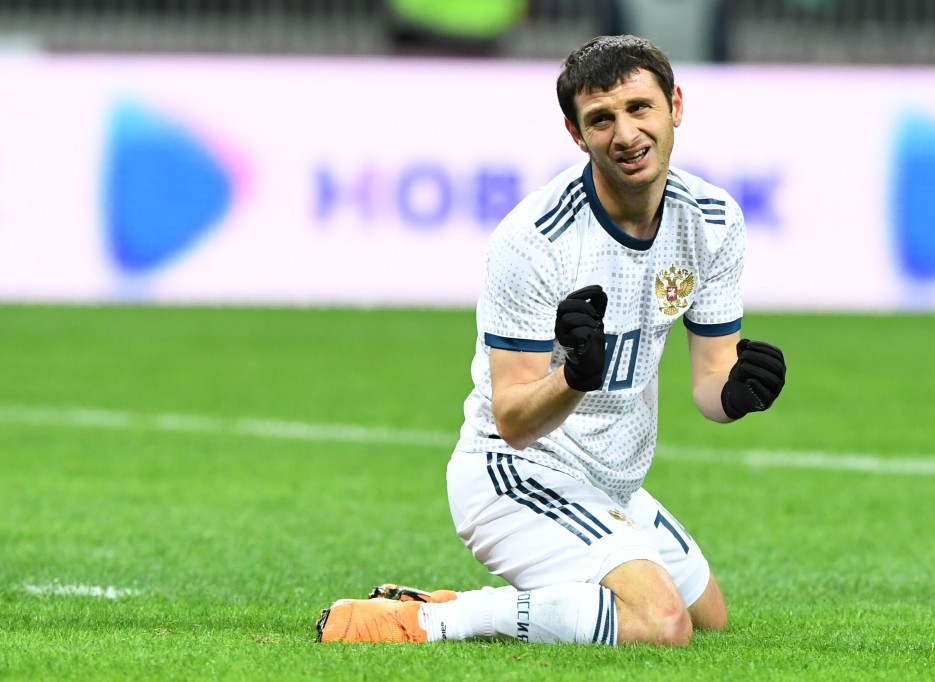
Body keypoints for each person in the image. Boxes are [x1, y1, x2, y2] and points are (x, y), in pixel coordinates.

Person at [316, 34, 787, 647]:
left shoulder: (714, 220)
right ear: (575, 133)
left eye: (640, 108)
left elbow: (710, 381)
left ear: (675, 104)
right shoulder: (534, 239)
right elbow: (512, 419)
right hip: (511, 472)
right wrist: (573, 377)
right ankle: (428, 620)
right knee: (660, 623)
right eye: (601, 119)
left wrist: (738, 394)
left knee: (708, 618)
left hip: (611, 479)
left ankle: (448, 601)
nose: (625, 134)